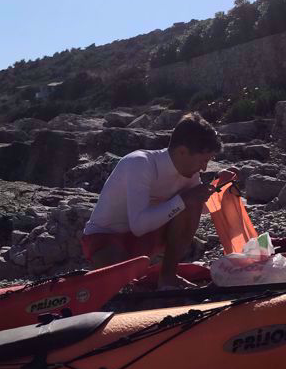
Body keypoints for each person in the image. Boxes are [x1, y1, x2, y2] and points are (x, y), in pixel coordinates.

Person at [82, 112, 224, 288]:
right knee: (124, 290)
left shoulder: (190, 172)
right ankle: (128, 280)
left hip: (143, 241)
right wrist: (183, 200)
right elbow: (139, 225)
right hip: (105, 240)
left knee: (190, 203)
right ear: (182, 152)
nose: (204, 168)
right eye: (203, 160)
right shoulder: (140, 163)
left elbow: (199, 209)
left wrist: (220, 186)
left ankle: (167, 278)